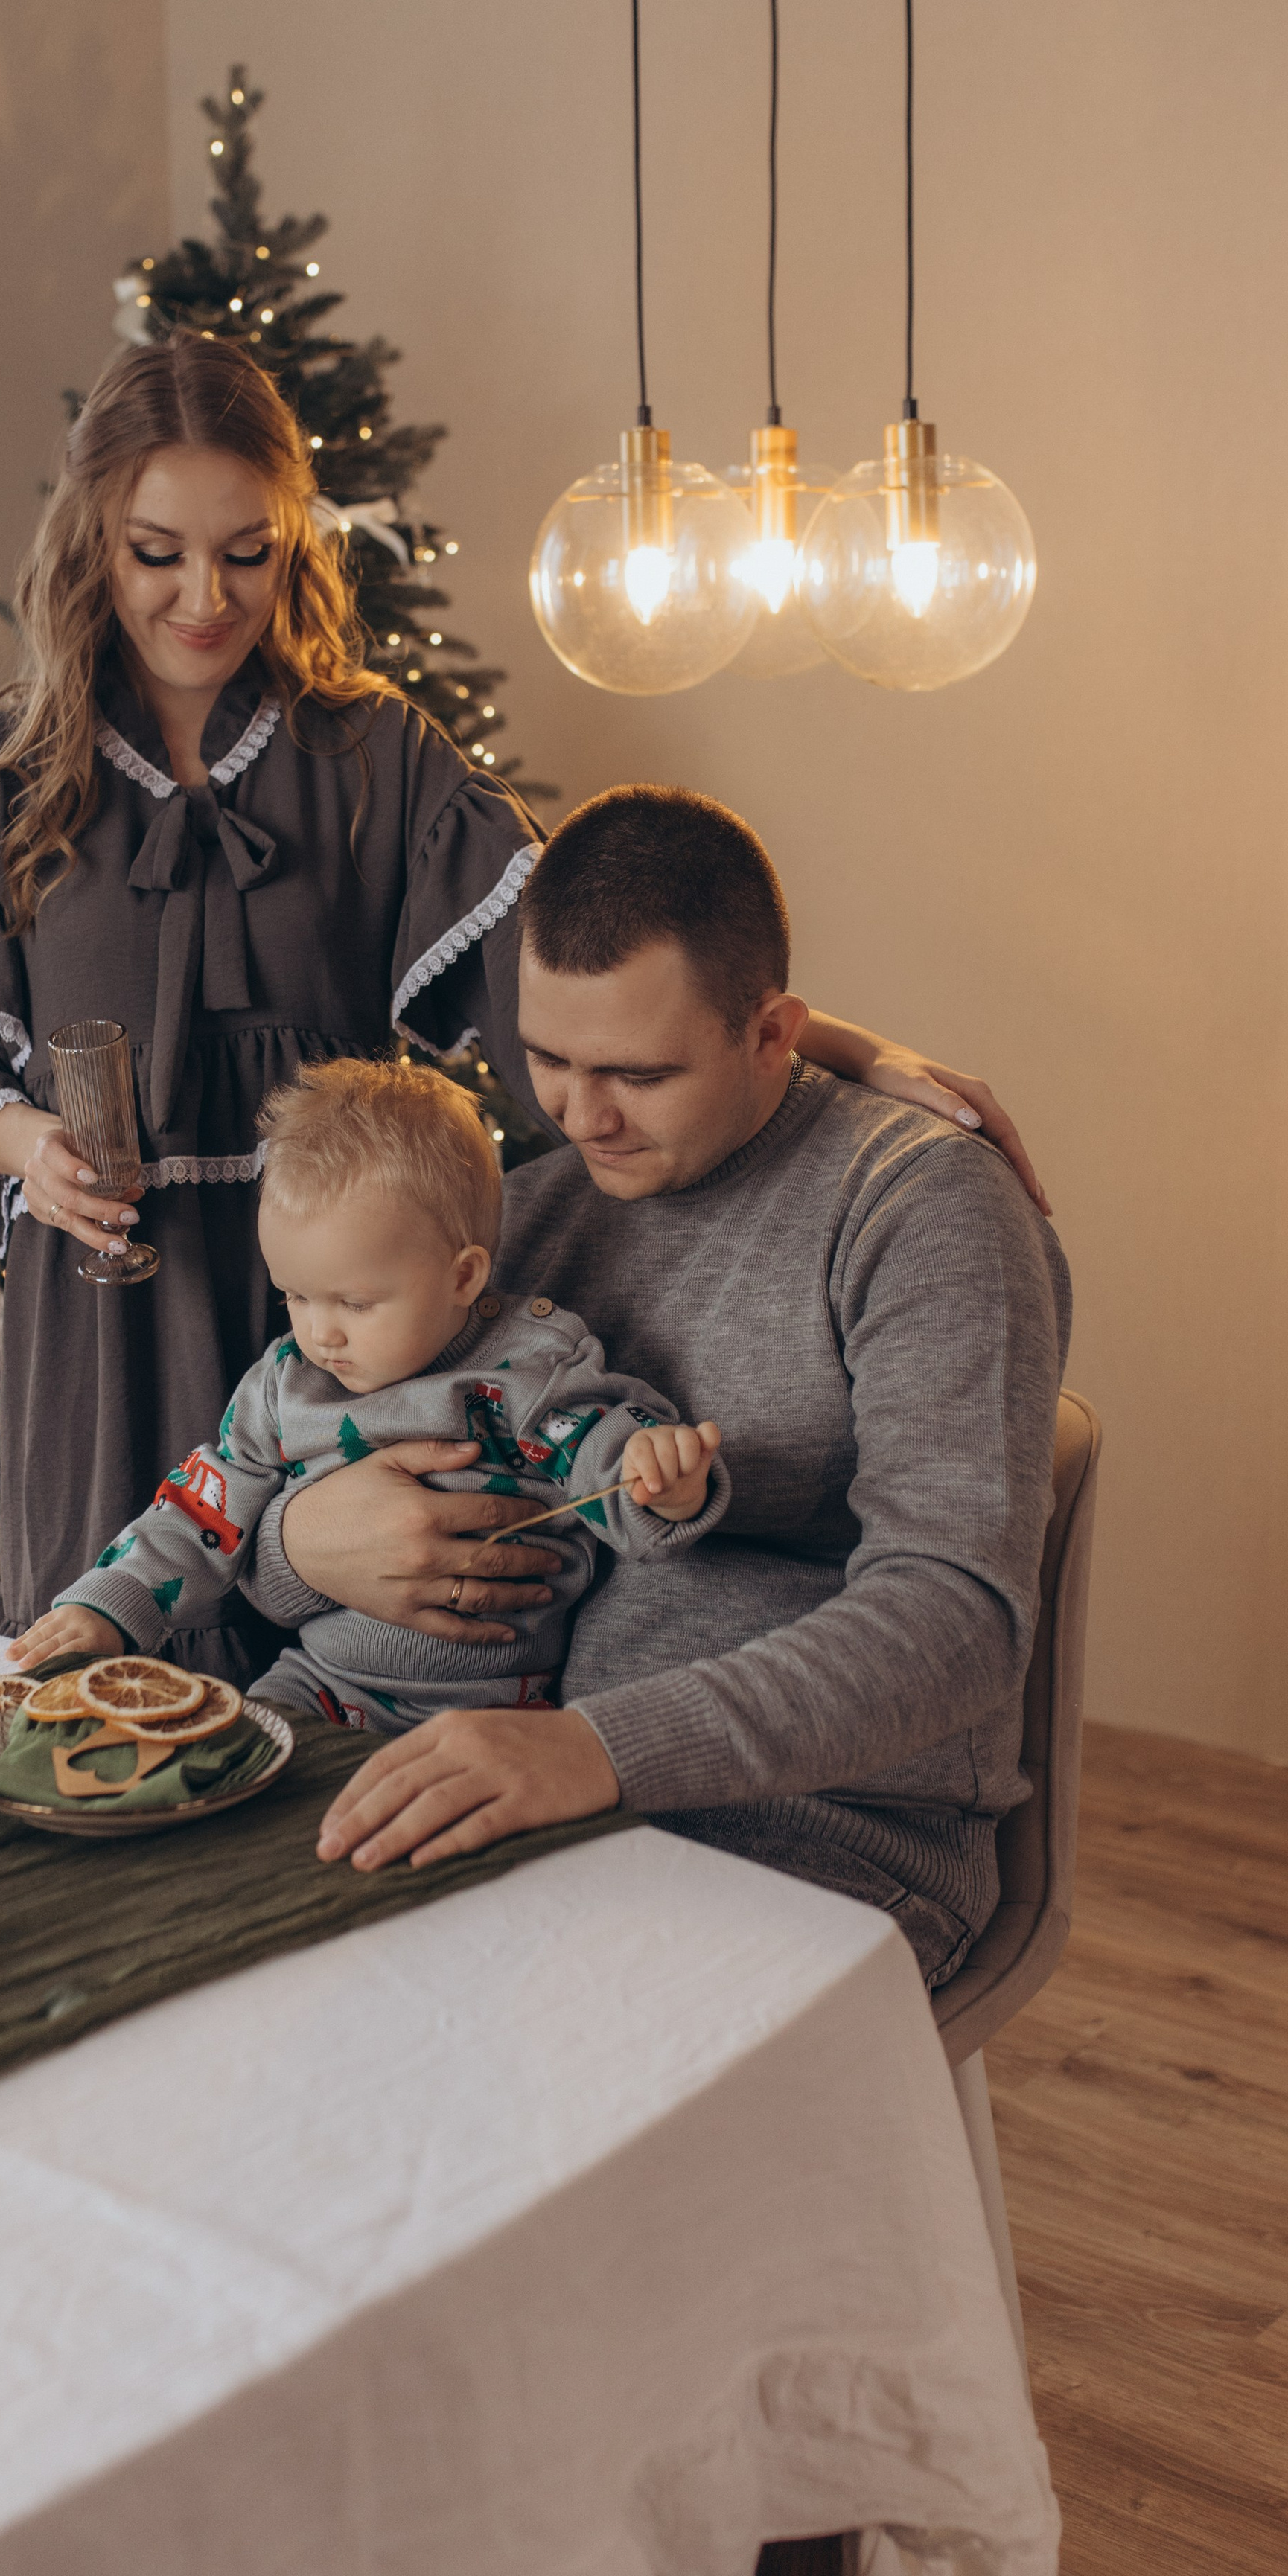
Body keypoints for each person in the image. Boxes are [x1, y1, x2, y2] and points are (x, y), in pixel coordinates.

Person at [0, 334, 1047, 1680]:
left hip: (349, 1281)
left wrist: (825, 1041)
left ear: (296, 535)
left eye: (248, 551)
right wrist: (27, 1151)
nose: (203, 597)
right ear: (90, 544)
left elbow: (567, 968)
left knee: (336, 1640)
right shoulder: (2, 776)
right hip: (109, 1304)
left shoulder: (371, 757)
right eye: (156, 551)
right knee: (110, 1653)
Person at [256, 786, 1071, 1989]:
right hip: (495, 1777)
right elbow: (278, 1497)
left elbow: (958, 1617)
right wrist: (296, 1546)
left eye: (637, 1073)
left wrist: (595, 1751)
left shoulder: (921, 1207)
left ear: (773, 1032)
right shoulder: (516, 1221)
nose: (584, 1117)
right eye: (548, 1060)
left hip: (826, 1833)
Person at [17, 1057, 727, 1731]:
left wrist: (661, 1481)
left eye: (355, 1304)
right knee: (239, 1768)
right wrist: (109, 1611)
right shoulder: (286, 1385)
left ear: (463, 1277)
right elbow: (199, 1510)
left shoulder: (531, 1368)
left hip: (498, 1713)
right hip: (319, 1686)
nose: (320, 1335)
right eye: (295, 1295)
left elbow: (607, 1456)